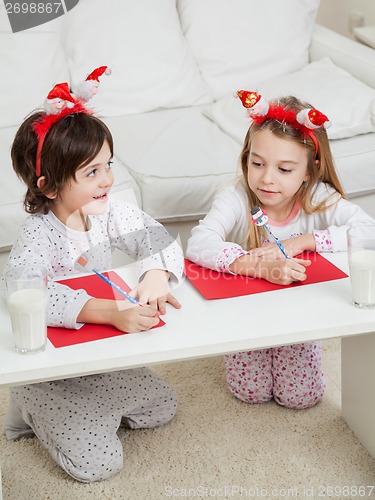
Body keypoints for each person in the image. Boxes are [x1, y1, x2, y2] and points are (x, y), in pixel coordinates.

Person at [2, 68, 184, 482]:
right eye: (92, 173)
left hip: (99, 358)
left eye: (108, 165)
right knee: (98, 465)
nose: (108, 180)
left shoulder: (109, 209)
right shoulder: (38, 235)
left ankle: (87, 408)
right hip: (52, 369)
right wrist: (110, 312)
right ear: (49, 187)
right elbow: (24, 293)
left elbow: (159, 239)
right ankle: (30, 404)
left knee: (163, 407)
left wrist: (155, 274)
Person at [186, 91, 374, 410]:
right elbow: (198, 243)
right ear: (246, 157)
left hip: (298, 318)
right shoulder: (235, 197)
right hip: (245, 313)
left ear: (309, 171)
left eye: (285, 169)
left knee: (301, 397)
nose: (267, 179)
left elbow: (369, 231)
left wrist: (301, 242)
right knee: (250, 392)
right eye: (257, 163)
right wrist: (254, 265)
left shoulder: (318, 196)